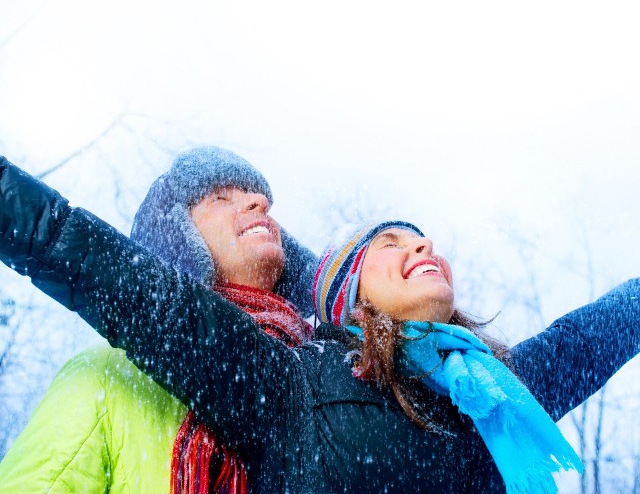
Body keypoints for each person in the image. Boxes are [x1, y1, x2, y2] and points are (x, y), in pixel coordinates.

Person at [1, 156, 639, 493]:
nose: (422, 248)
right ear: (349, 291)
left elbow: (598, 331)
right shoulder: (293, 384)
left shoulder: (495, 393)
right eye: (392, 242)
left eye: (424, 241)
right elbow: (81, 252)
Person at [0, 147, 318, 494]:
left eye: (257, 198)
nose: (260, 200)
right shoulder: (108, 377)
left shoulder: (335, 371)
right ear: (180, 239)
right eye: (222, 198)